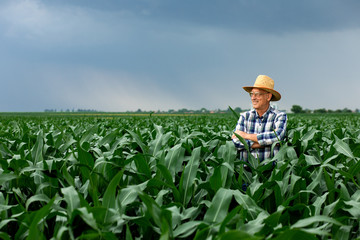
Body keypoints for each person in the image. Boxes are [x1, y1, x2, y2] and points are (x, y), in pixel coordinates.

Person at [232, 75, 287, 162]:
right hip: (247, 172)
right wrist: (268, 143)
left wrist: (245, 136)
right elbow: (235, 142)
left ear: (268, 97)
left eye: (257, 94)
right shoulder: (244, 116)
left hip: (272, 172)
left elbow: (277, 136)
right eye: (252, 94)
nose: (253, 98)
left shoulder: (279, 116)